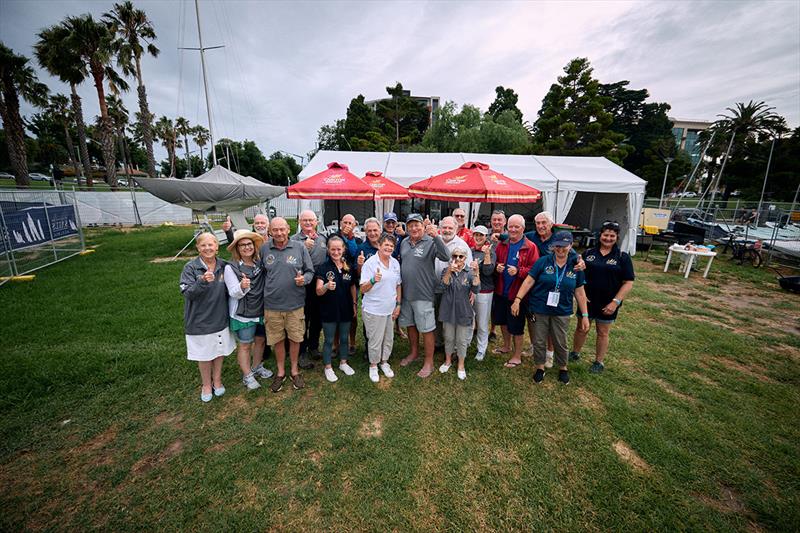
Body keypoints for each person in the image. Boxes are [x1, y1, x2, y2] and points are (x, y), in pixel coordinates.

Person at [511, 231, 589, 385]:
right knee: (539, 340)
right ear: (553, 246)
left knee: (561, 341)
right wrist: (517, 300)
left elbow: (580, 292)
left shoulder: (576, 266)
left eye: (564, 246)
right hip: (539, 308)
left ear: (570, 245)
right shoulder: (543, 261)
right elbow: (528, 281)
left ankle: (563, 368)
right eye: (557, 246)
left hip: (562, 310)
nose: (560, 249)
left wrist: (585, 315)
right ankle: (540, 367)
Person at [570, 221, 635, 373]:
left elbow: (628, 283)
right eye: (606, 235)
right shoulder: (589, 253)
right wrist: (581, 295)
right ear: (600, 236)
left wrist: (615, 302)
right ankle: (575, 353)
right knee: (581, 328)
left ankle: (599, 362)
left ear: (617, 237)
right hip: (587, 300)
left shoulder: (622, 257)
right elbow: (579, 275)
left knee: (603, 332)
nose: (608, 238)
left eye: (612, 236)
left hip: (608, 302)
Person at [524, 211, 585, 367]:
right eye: (537, 223)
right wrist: (501, 236)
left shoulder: (558, 239)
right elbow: (516, 237)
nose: (540, 226)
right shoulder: (531, 236)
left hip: (555, 287)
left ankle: (550, 353)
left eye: (544, 223)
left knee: (553, 323)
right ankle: (535, 346)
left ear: (551, 224)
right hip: (536, 287)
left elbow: (572, 254)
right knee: (534, 320)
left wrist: (580, 260)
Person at [179, 232, 235, 402]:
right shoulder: (191, 268)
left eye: (211, 245)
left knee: (218, 352)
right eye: (203, 245)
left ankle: (217, 380)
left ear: (217, 247)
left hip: (220, 318)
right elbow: (188, 293)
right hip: (199, 321)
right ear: (198, 248)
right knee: (204, 355)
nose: (207, 248)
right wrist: (202, 281)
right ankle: (205, 384)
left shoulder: (224, 266)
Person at [261, 217, 314, 392]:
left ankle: (294, 370)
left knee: (295, 338)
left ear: (288, 229)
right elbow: (260, 274)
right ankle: (281, 372)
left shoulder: (299, 247)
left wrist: (304, 279)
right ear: (270, 231)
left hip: (295, 304)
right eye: (275, 230)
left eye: (282, 229)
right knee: (277, 340)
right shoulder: (264, 249)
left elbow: (310, 271)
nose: (279, 233)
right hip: (272, 305)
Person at [398, 213, 450, 377]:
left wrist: (436, 237)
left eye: (417, 225)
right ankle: (414, 353)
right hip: (406, 293)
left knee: (427, 329)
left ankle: (429, 362)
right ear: (407, 227)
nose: (414, 228)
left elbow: (446, 256)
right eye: (410, 225)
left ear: (423, 226)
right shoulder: (405, 242)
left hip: (424, 293)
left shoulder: (430, 241)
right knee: (411, 325)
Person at [224, 230, 273, 391]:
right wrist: (242, 286)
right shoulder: (231, 268)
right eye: (242, 245)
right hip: (243, 313)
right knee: (245, 345)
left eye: (249, 244)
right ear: (237, 248)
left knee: (260, 340)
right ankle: (247, 375)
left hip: (260, 310)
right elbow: (232, 292)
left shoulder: (259, 262)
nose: (246, 247)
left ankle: (257, 366)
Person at [493, 214, 539, 368]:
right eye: (510, 226)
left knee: (517, 326)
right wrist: (497, 267)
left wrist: (519, 271)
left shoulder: (530, 246)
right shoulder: (502, 244)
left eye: (516, 227)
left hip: (518, 295)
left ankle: (517, 355)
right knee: (503, 322)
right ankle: (506, 346)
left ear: (523, 229)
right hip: (501, 291)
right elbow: (495, 261)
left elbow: (534, 270)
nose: (512, 229)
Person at [360, 234, 402, 383]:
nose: (389, 248)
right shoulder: (370, 263)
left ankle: (384, 362)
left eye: (392, 246)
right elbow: (363, 290)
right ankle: (373, 365)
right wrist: (373, 280)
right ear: (379, 245)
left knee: (388, 338)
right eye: (386, 245)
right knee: (375, 340)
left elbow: (398, 285)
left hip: (390, 308)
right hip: (374, 309)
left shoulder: (395, 263)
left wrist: (398, 304)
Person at [315, 236, 357, 383]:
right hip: (329, 310)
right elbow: (318, 290)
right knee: (329, 340)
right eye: (333, 249)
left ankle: (343, 363)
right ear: (328, 250)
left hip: (345, 308)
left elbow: (352, 286)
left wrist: (354, 303)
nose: (336, 252)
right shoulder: (323, 268)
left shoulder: (348, 266)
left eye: (339, 249)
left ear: (343, 249)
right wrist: (326, 286)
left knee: (345, 338)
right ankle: (328, 367)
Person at [438, 247, 480, 380]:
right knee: (449, 337)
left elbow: (476, 288)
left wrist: (476, 273)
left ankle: (461, 365)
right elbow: (442, 286)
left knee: (462, 340)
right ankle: (448, 361)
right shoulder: (447, 270)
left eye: (460, 256)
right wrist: (449, 272)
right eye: (455, 256)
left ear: (465, 258)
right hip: (448, 310)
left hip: (463, 310)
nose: (457, 259)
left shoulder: (469, 272)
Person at [293, 210, 327, 369]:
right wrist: (302, 246)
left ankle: (313, 346)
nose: (308, 223)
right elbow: (290, 261)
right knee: (302, 319)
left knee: (317, 317)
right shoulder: (293, 240)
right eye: (304, 220)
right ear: (299, 222)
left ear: (316, 222)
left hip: (319, 282)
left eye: (311, 220)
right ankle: (302, 352)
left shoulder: (322, 238)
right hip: (302, 284)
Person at [433, 216, 473, 349]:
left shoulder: (461, 245)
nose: (447, 230)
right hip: (435, 286)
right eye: (444, 227)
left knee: (453, 316)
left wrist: (472, 289)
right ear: (440, 228)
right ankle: (439, 342)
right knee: (437, 315)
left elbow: (469, 269)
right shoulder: (434, 241)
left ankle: (457, 346)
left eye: (450, 228)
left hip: (454, 289)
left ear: (456, 229)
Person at [334, 214, 362, 356]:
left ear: (355, 225)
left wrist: (349, 238)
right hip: (335, 279)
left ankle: (352, 342)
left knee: (353, 312)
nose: (347, 225)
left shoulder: (356, 240)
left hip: (351, 281)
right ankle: (335, 343)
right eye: (345, 222)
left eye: (350, 223)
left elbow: (354, 253)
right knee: (335, 311)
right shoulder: (333, 237)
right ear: (340, 223)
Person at [470, 225, 496, 361]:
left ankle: (481, 349)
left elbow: (488, 271)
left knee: (482, 322)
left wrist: (486, 255)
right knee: (468, 319)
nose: (478, 237)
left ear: (486, 237)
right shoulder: (470, 250)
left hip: (484, 291)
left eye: (481, 235)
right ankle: (466, 343)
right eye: (476, 235)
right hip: (470, 290)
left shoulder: (490, 252)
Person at [488, 209, 507, 341]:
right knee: (484, 302)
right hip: (487, 274)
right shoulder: (485, 235)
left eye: (499, 219)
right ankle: (478, 327)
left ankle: (493, 330)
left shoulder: (510, 236)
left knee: (497, 303)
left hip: (503, 275)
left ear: (504, 221)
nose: (497, 222)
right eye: (494, 219)